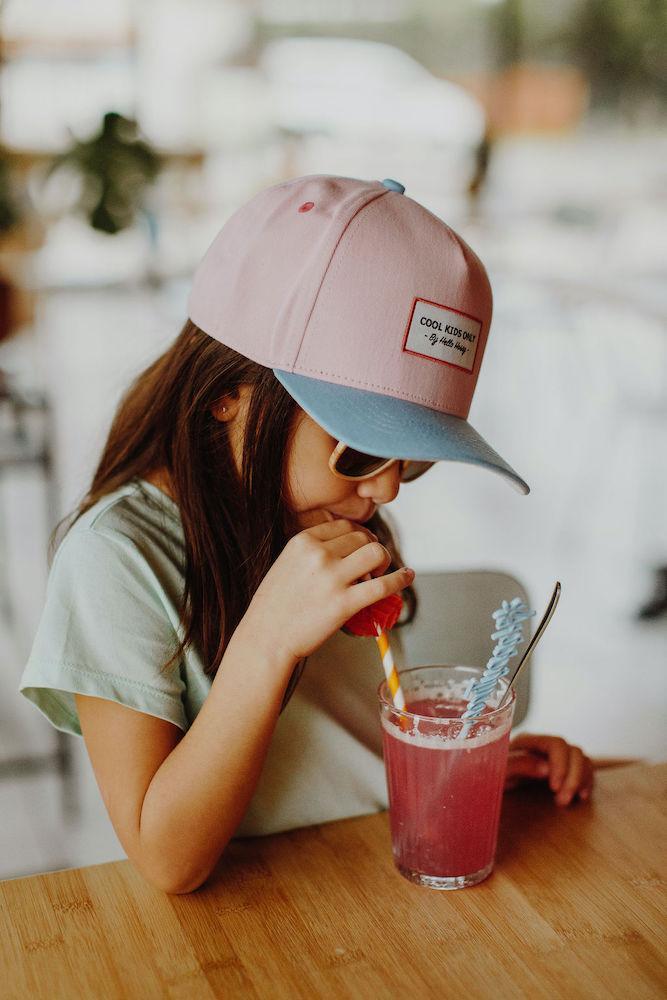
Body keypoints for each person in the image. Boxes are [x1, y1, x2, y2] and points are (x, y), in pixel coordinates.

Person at [19, 175, 593, 894]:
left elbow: (342, 764)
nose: (384, 488)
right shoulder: (117, 560)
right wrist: (265, 641)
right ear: (228, 391)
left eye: (411, 456)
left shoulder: (335, 515)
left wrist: (450, 771)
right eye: (359, 447)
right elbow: (167, 859)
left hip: (375, 882)